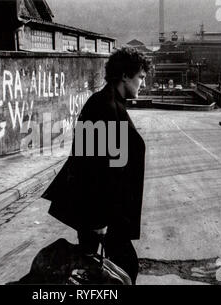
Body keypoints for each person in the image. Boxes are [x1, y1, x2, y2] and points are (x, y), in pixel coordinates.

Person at [41, 47, 149, 284]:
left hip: (105, 212)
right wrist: (98, 220)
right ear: (124, 75)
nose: (143, 82)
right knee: (123, 268)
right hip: (100, 213)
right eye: (140, 76)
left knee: (108, 271)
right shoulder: (106, 108)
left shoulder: (109, 103)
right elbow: (94, 169)